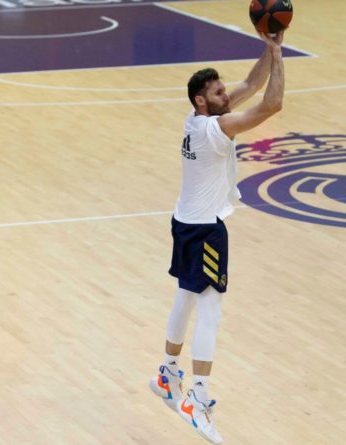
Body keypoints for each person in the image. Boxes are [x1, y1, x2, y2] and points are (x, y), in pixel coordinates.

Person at [149, 30, 286, 444]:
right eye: (220, 91)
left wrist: (269, 47)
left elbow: (253, 84)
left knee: (185, 295)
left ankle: (168, 373)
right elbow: (272, 102)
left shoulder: (196, 121)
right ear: (202, 100)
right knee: (210, 309)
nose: (229, 94)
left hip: (183, 220)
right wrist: (279, 54)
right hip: (206, 229)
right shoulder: (216, 130)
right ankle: (197, 397)